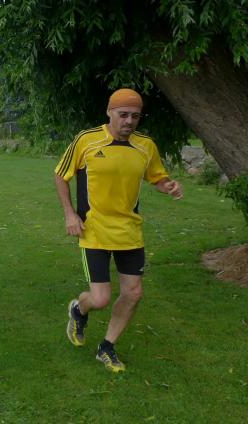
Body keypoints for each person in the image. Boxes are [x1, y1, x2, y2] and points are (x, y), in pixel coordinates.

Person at [55, 88, 184, 372]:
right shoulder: (87, 140)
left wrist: (169, 186)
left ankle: (107, 347)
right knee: (100, 299)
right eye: (123, 114)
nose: (129, 121)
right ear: (109, 112)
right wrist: (69, 214)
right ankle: (79, 309)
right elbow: (61, 175)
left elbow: (157, 177)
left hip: (129, 231)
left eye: (135, 116)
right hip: (94, 230)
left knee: (133, 293)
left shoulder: (145, 146)